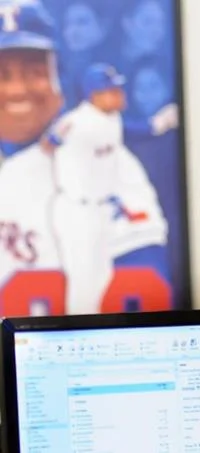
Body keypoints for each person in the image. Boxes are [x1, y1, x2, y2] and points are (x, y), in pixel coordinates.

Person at [0, 0, 173, 315]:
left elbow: (144, 298)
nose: (16, 90)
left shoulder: (109, 161)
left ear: (60, 78)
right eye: (2, 74)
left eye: (34, 71)